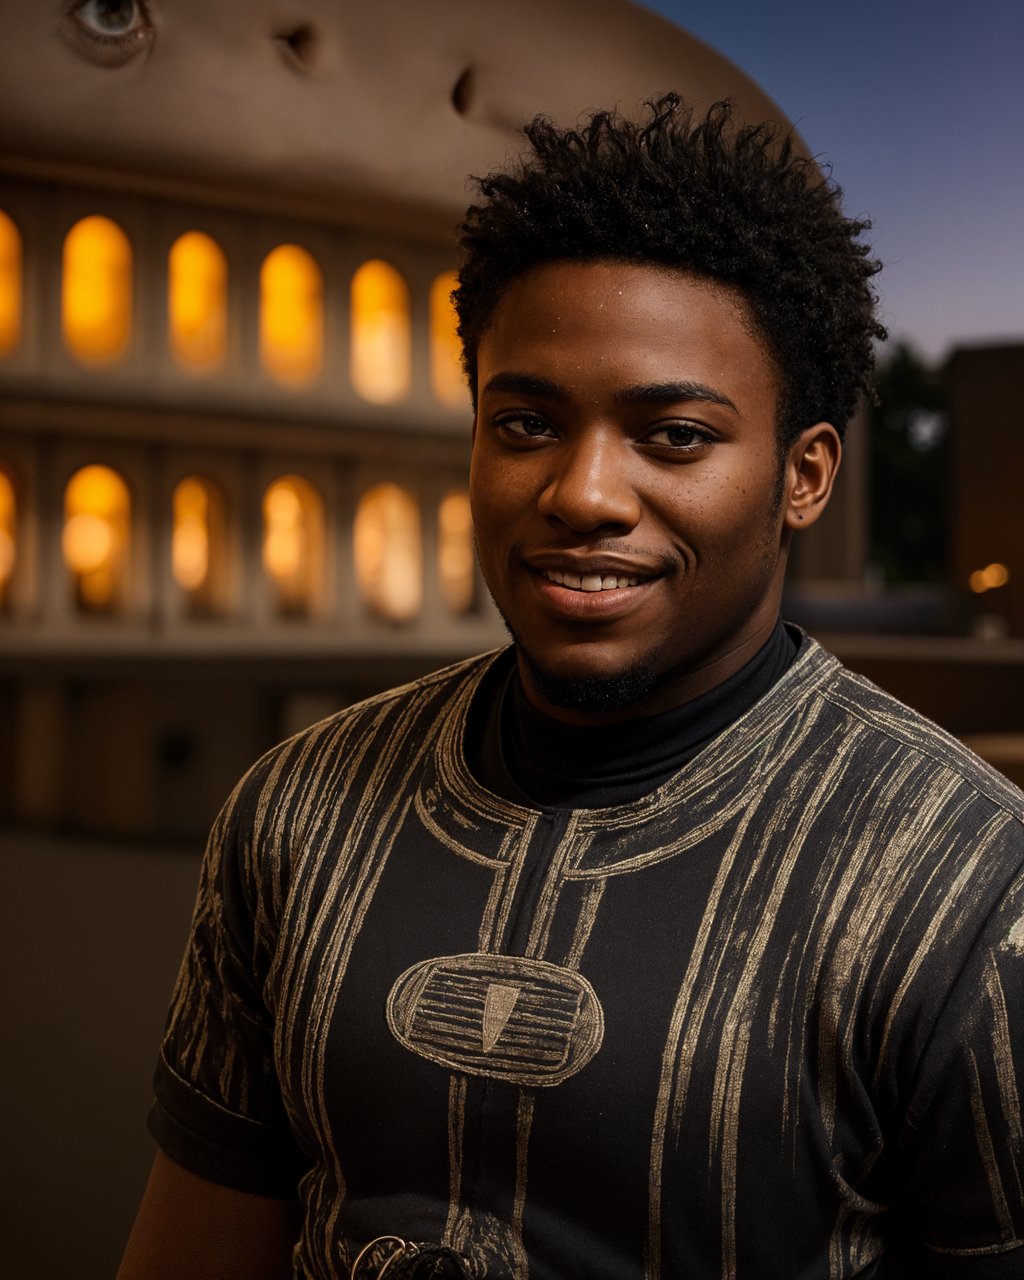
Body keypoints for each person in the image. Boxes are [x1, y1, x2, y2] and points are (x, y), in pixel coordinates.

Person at [118, 98, 1024, 1280]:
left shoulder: (963, 888)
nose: (583, 491)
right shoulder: (294, 814)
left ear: (802, 476)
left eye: (675, 437)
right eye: (529, 422)